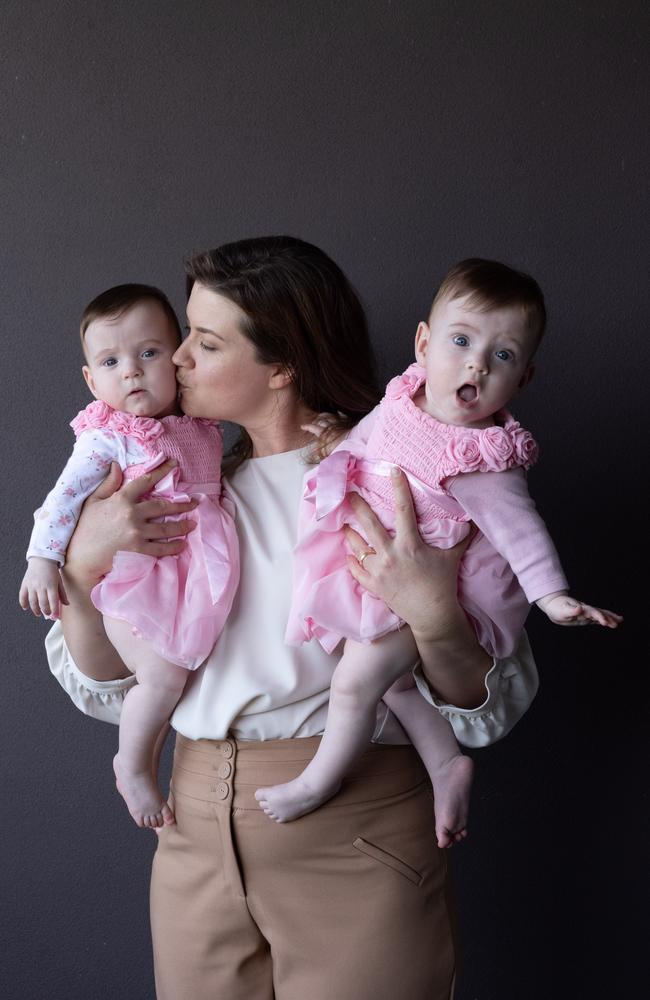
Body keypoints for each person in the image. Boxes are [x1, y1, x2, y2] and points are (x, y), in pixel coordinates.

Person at [46, 236, 540, 1000]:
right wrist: (80, 568)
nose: (173, 360)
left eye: (205, 343)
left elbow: (485, 707)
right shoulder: (173, 486)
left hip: (356, 832)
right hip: (192, 826)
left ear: (281, 367)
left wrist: (433, 614)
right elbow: (108, 682)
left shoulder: (393, 480)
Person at [259, 259, 621, 840]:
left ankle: (318, 780)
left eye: (502, 355)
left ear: (523, 378)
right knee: (395, 686)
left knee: (354, 682)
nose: (476, 362)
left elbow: (521, 532)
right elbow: (368, 437)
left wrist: (553, 598)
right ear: (423, 345)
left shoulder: (482, 455)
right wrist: (334, 445)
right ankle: (447, 763)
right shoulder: (404, 399)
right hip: (384, 574)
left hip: (435, 590)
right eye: (461, 340)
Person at [19, 284, 239, 828]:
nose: (133, 372)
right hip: (136, 581)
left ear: (179, 358)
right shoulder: (109, 439)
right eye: (112, 361)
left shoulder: (201, 426)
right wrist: (42, 561)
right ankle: (134, 765)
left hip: (194, 574)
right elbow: (63, 501)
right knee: (162, 676)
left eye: (149, 353)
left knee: (193, 670)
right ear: (93, 382)